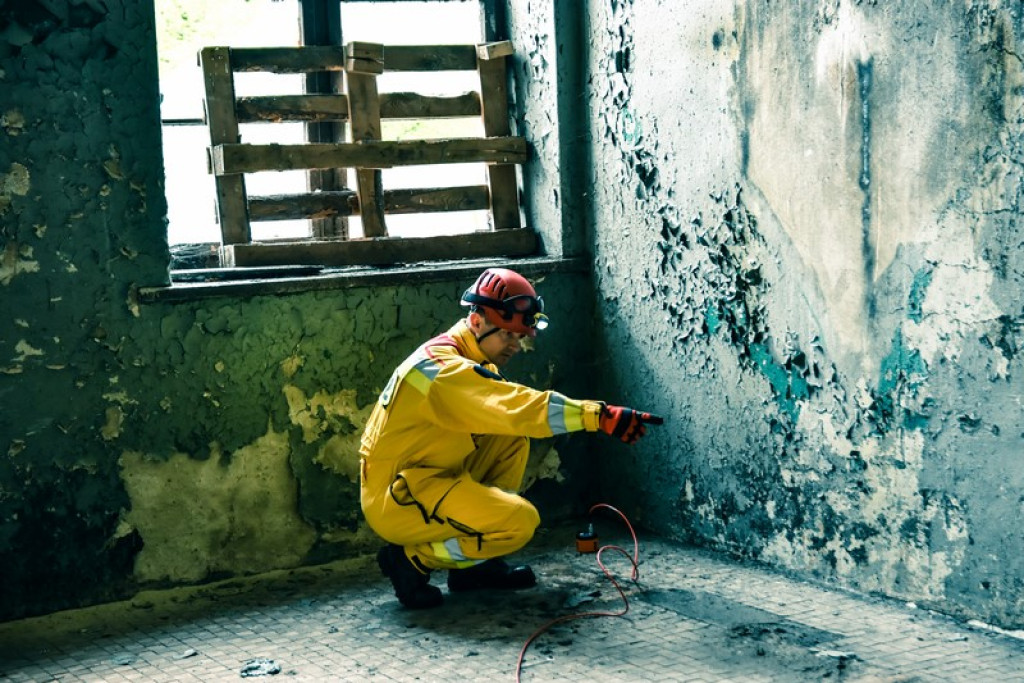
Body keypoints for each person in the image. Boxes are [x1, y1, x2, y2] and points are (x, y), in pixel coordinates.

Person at [359, 267, 663, 609]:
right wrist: (599, 416)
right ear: (477, 322)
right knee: (520, 522)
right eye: (508, 336)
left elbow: (510, 413)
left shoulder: (468, 358)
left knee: (510, 436)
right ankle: (413, 561)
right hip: (399, 499)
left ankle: (474, 568)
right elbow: (517, 406)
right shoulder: (441, 370)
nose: (516, 346)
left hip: (424, 477)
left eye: (520, 337)